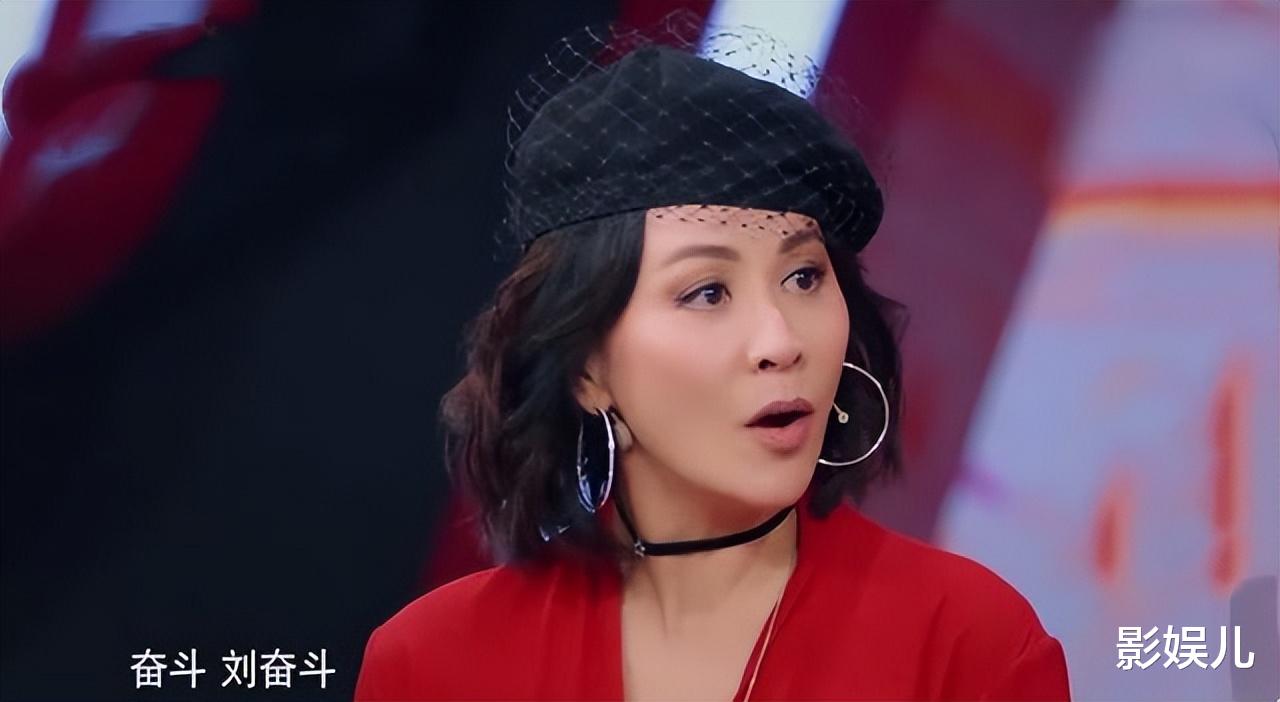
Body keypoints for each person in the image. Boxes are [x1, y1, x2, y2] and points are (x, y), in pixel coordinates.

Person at [354, 14, 1070, 702]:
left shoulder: (967, 643)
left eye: (804, 277)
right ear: (586, 368)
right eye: (707, 292)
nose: (780, 342)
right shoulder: (433, 661)